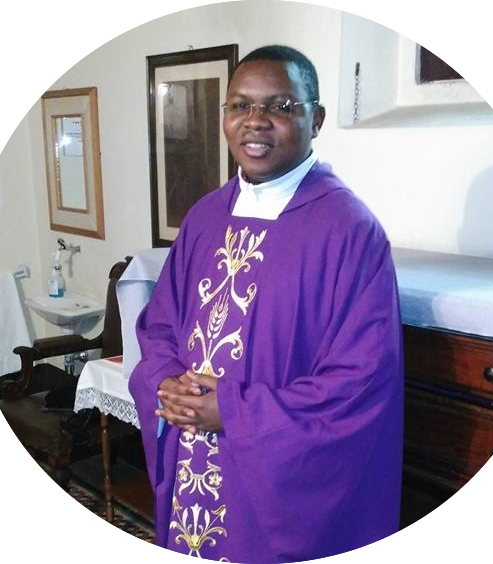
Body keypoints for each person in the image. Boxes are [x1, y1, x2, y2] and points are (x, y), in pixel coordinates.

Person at [129, 45, 403, 562]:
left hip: (271, 479)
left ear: (316, 120)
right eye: (240, 106)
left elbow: (359, 380)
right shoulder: (205, 217)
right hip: (192, 455)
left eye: (280, 106)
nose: (255, 121)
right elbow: (161, 323)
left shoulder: (349, 231)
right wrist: (164, 381)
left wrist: (233, 412)